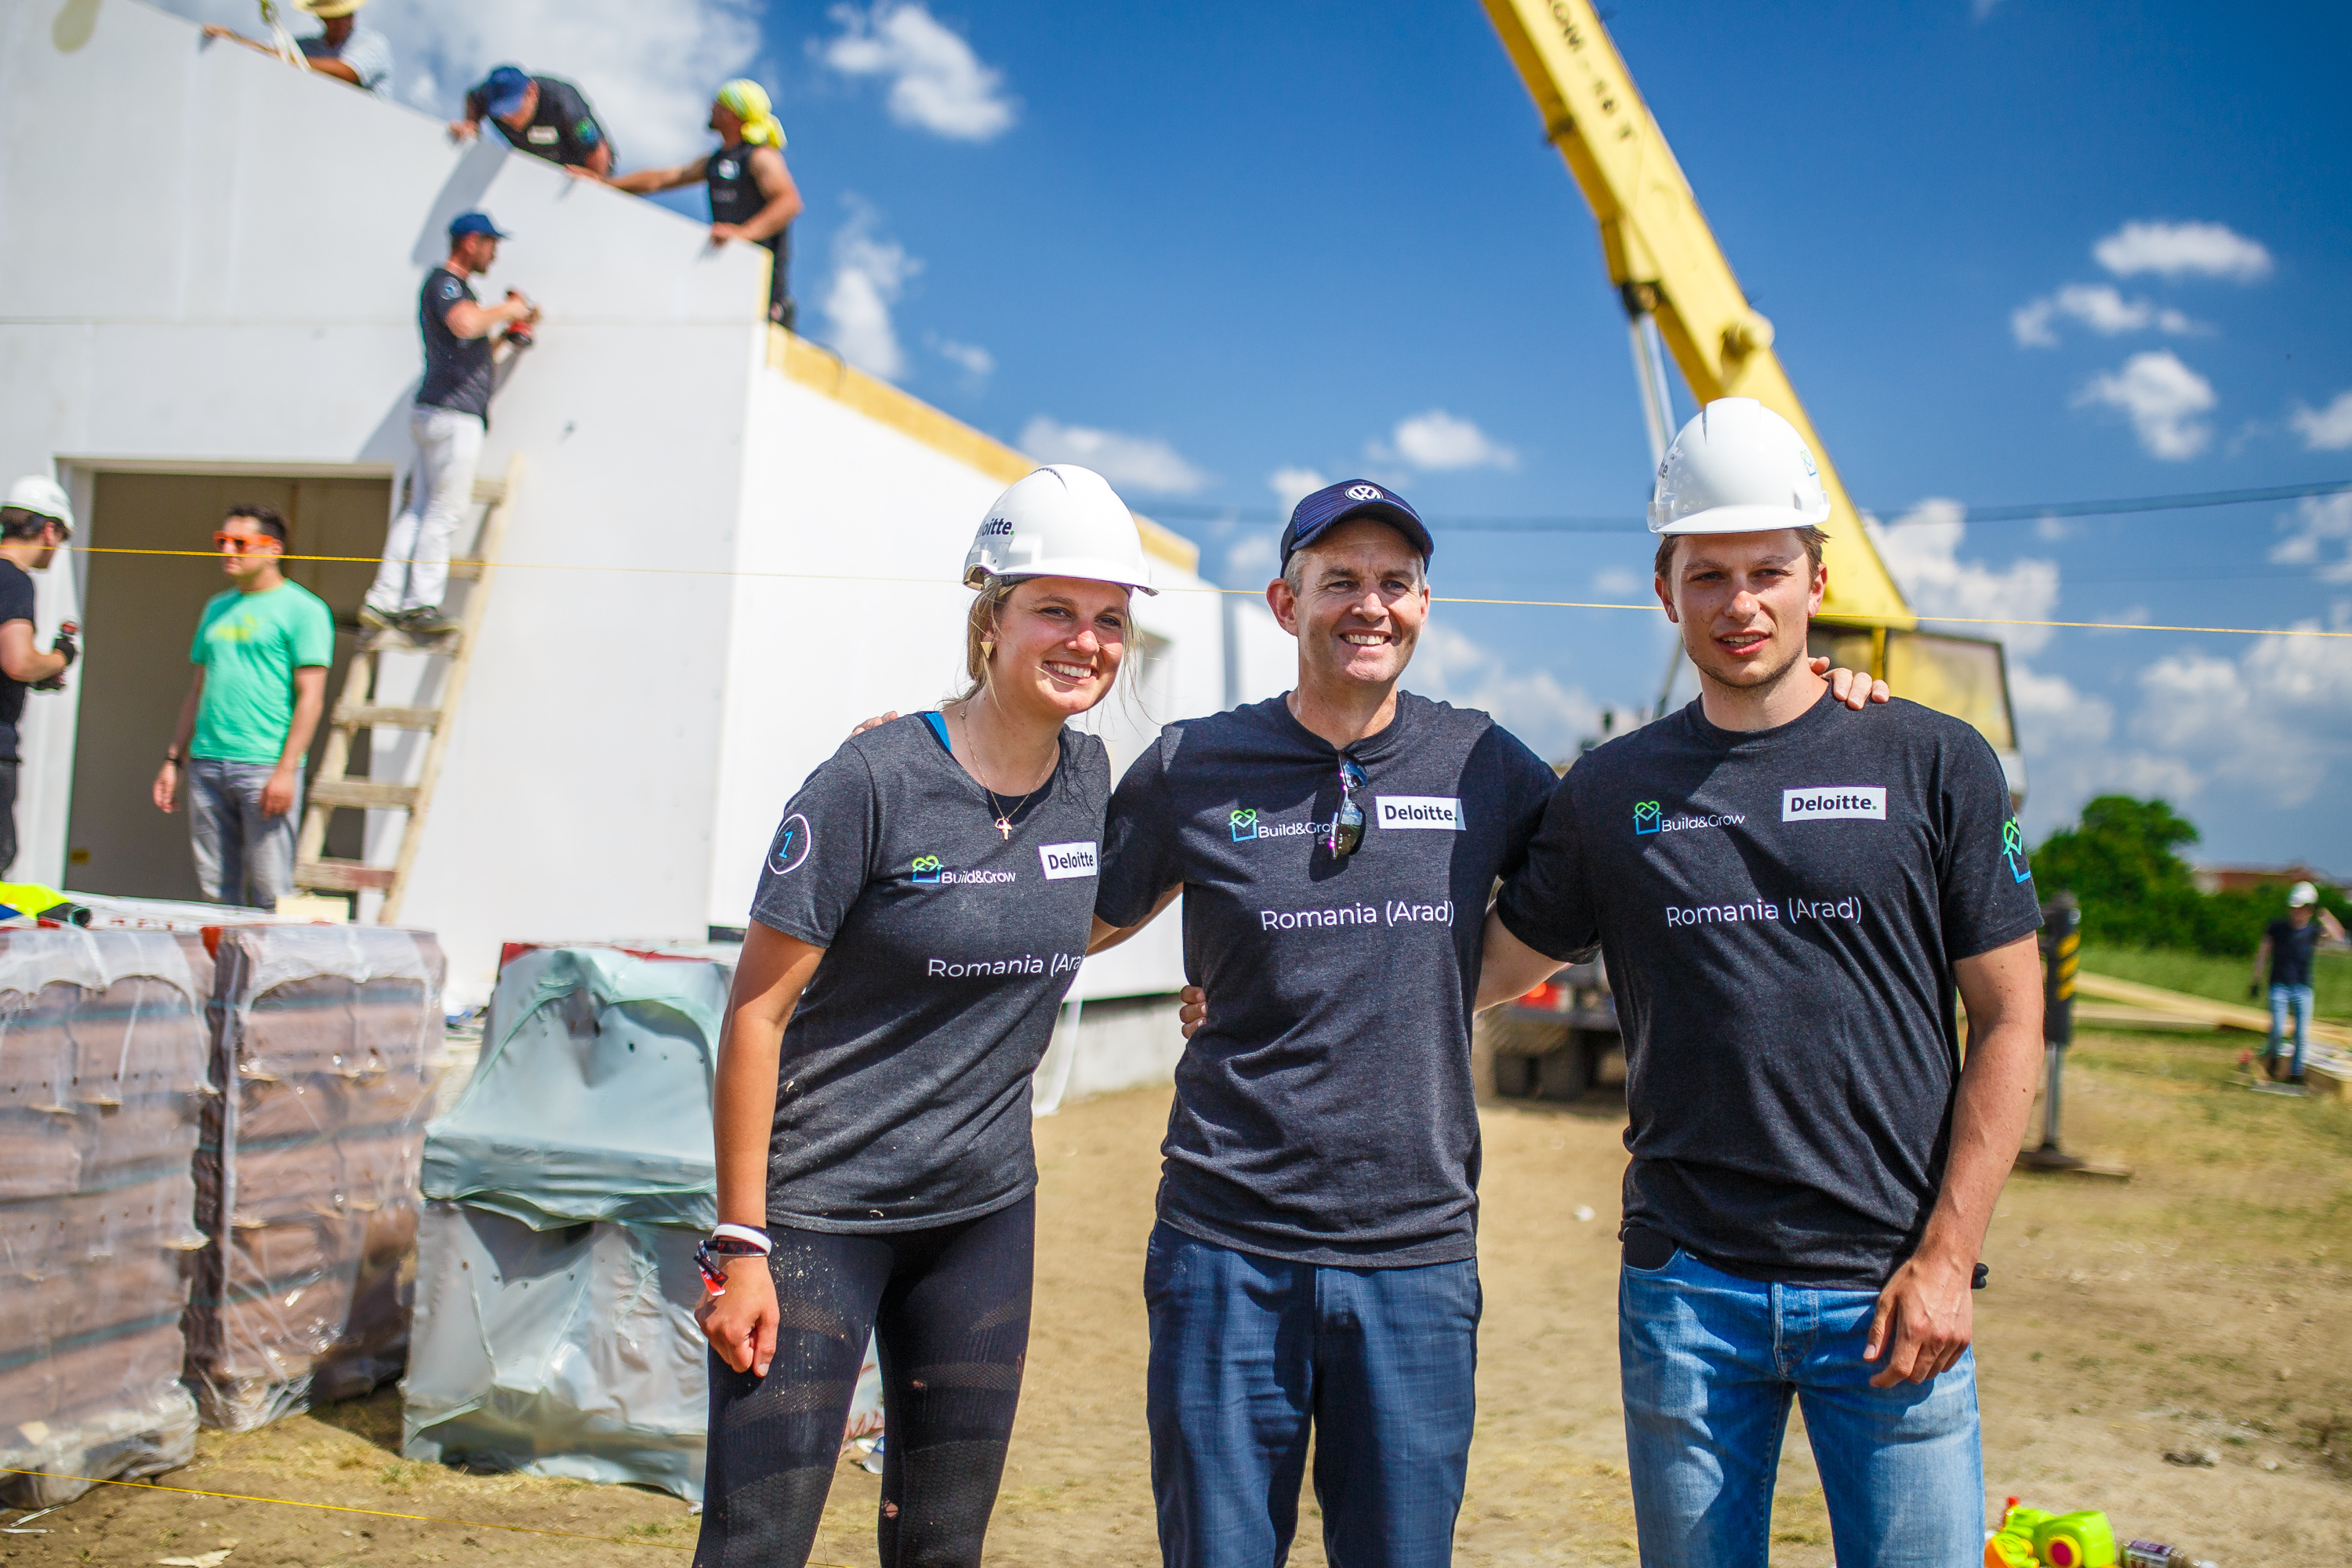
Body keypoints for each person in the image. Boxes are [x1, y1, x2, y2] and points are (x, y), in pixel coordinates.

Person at [1100, 475, 1889, 1568]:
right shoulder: (1193, 764)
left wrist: (1819, 700)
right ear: (1286, 603)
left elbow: (1627, 847)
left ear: (1424, 605)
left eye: (1396, 582)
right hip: (1224, 1245)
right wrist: (939, 777)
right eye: (1340, 582)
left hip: (1414, 1257)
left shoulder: (1487, 766)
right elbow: (1067, 915)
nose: (1370, 605)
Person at [1475, 398, 2047, 1568]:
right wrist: (1276, 981)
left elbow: (2010, 1015)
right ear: (1665, 591)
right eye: (1709, 575)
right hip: (1689, 1292)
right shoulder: (1610, 792)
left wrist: (1948, 1259)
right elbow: (1483, 964)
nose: (1741, 603)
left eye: (1768, 572)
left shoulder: (1932, 761)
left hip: (1891, 1287)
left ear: (1817, 580)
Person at [694, 465, 1155, 1568]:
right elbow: (755, 1013)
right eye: (1054, 609)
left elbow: (1064, 923)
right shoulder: (871, 778)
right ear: (990, 618)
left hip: (982, 1219)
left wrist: (1222, 979)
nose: (1085, 640)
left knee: (943, 1546)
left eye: (1108, 619)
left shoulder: (1091, 779)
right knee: (756, 1545)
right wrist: (742, 1241)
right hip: (818, 1215)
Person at [363, 211, 537, 636]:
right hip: (454, 416)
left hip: (437, 412)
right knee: (445, 511)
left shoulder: (455, 290)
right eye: (492, 245)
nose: (494, 255)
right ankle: (420, 604)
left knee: (420, 510)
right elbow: (465, 322)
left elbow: (469, 346)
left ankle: (383, 600)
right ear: (471, 242)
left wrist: (504, 337)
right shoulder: (446, 284)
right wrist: (511, 308)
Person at [154, 506, 334, 910]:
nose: (227, 551)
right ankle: (224, 956)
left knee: (272, 889)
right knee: (215, 892)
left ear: (273, 550)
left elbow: (312, 698)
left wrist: (286, 771)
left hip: (263, 766)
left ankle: (272, 957)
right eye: (222, 541)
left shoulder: (304, 610)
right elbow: (197, 690)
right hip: (207, 764)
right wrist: (173, 759)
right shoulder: (216, 608)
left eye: (240, 543)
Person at [593, 80, 804, 328]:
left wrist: (742, 233)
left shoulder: (761, 157)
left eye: (719, 103)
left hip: (765, 296)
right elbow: (662, 179)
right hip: (731, 284)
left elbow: (789, 202)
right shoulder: (715, 161)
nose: (711, 107)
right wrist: (602, 184)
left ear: (733, 113)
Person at [0, 478, 80, 873]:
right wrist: (60, 657)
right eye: (63, 536)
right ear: (49, 530)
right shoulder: (14, 579)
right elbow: (18, 662)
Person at [2251, 881, 2345, 1087]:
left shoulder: (2312, 932)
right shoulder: (2277, 928)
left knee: (2301, 1034)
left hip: (2303, 988)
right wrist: (2255, 980)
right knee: (2277, 1030)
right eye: (2294, 908)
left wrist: (2322, 913)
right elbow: (2263, 952)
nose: (2296, 912)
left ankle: (2296, 1074)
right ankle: (2273, 1059)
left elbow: (2338, 935)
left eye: (2302, 908)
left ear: (2309, 909)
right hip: (2279, 986)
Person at [201, 0, 394, 96]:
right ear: (321, 16)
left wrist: (285, 58)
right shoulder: (306, 46)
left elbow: (348, 72)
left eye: (344, 14)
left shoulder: (373, 43)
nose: (340, 20)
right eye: (334, 15)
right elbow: (268, 49)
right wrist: (233, 38)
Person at [450, 65, 614, 176]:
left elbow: (599, 151)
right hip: (537, 170)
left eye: (513, 106)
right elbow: (473, 98)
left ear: (532, 92)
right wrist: (471, 125)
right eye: (500, 111)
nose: (507, 117)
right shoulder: (485, 97)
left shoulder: (563, 103)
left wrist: (595, 182)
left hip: (581, 169)